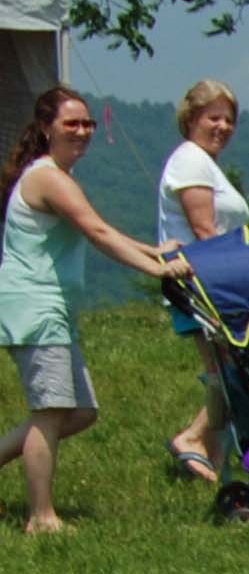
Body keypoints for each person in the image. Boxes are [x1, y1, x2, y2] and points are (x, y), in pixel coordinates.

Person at [3, 86, 190, 535]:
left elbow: (99, 226)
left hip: (53, 309)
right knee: (50, 411)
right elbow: (96, 232)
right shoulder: (48, 177)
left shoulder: (59, 176)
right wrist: (158, 270)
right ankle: (41, 517)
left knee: (80, 411)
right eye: (72, 123)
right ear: (47, 128)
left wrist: (154, 250)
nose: (83, 131)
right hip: (35, 306)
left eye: (87, 123)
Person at [156, 77, 247, 483]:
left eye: (229, 121)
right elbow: (204, 230)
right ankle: (194, 440)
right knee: (231, 372)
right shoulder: (190, 160)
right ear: (192, 117)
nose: (222, 127)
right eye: (214, 118)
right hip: (203, 285)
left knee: (234, 371)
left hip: (215, 283)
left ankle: (217, 455)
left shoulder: (204, 163)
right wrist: (236, 289)